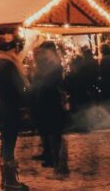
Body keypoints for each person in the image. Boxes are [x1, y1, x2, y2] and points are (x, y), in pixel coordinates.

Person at [0, 35, 29, 190]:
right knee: (9, 143)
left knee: (5, 142)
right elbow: (20, 88)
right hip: (11, 107)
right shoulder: (9, 65)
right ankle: (10, 181)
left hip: (3, 105)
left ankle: (5, 179)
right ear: (11, 50)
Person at [31, 41, 68, 175]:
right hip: (44, 101)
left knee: (54, 132)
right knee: (46, 130)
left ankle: (56, 160)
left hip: (51, 101)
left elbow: (47, 83)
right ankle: (49, 155)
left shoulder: (55, 65)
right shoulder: (46, 64)